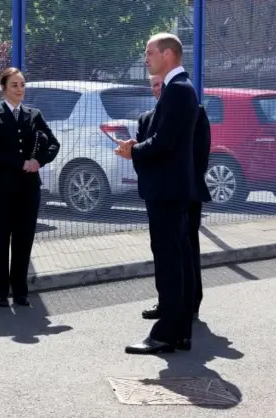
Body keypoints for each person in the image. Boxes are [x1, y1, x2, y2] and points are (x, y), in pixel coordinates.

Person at [115, 33, 199, 354]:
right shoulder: (180, 90)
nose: (145, 58)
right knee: (175, 259)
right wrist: (139, 147)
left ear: (167, 55)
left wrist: (132, 152)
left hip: (166, 191)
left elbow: (164, 143)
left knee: (169, 260)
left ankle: (166, 334)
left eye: (149, 52)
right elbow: (167, 140)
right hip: (170, 190)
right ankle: (177, 331)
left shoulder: (177, 91)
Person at [0, 67, 60, 307]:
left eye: (22, 85)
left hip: (28, 189)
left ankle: (21, 290)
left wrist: (38, 161)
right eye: (14, 85)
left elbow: (53, 144)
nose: (20, 89)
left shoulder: (34, 115)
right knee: (0, 239)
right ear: (4, 88)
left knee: (24, 240)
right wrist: (20, 162)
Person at [138, 74, 212, 322]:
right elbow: (143, 155)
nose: (159, 89)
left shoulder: (195, 111)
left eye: (162, 84)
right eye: (155, 86)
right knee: (162, 250)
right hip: (159, 193)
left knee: (187, 248)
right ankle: (167, 302)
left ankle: (190, 304)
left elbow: (201, 153)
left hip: (185, 192)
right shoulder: (147, 119)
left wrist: (188, 181)